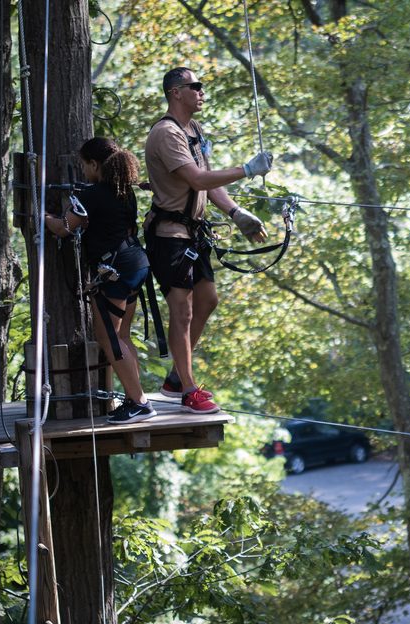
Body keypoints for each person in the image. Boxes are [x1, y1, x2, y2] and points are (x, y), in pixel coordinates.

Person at [143, 66, 273, 414]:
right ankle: (187, 389)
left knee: (208, 300)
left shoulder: (193, 129)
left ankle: (176, 378)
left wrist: (236, 212)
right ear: (175, 92)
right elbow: (197, 180)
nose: (201, 92)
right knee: (182, 311)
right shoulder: (167, 133)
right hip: (169, 236)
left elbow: (209, 181)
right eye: (195, 86)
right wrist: (247, 170)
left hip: (193, 233)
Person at [45, 138, 155, 424]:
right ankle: (134, 398)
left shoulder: (92, 194)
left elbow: (64, 228)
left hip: (116, 269)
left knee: (109, 338)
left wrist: (43, 216)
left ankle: (140, 403)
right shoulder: (124, 191)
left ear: (94, 164)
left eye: (84, 165)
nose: (83, 170)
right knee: (123, 336)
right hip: (135, 262)